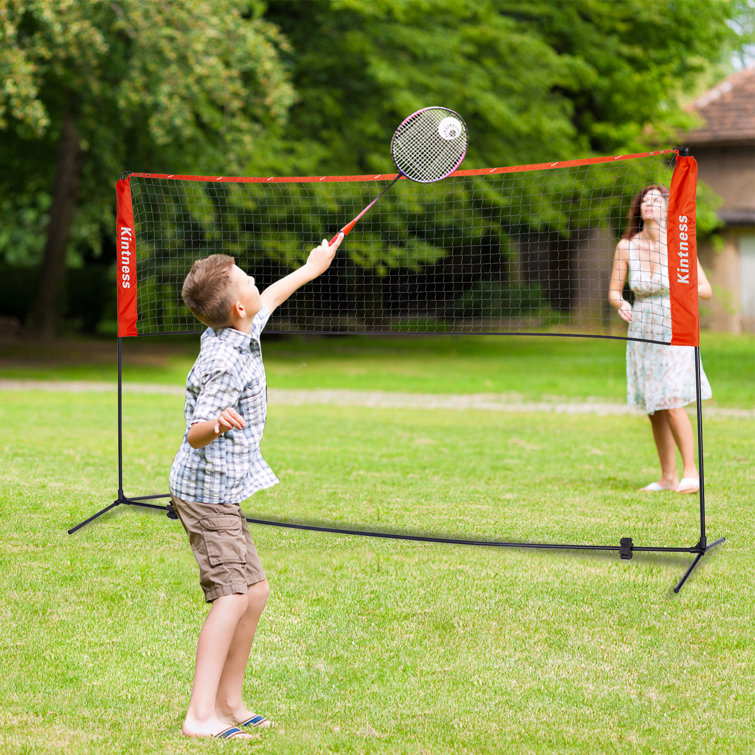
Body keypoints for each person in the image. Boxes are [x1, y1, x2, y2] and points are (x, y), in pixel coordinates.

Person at [169, 234, 343, 740]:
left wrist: (313, 268)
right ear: (238, 305)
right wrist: (218, 423)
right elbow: (195, 432)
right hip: (205, 495)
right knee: (231, 596)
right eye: (248, 278)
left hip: (223, 490)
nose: (255, 283)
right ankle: (200, 716)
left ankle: (230, 701)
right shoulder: (224, 359)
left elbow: (271, 296)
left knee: (256, 592)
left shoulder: (241, 327)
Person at [608, 184, 712, 494]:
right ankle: (668, 477)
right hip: (641, 330)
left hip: (674, 328)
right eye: (645, 201)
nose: (650, 205)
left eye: (657, 200)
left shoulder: (679, 245)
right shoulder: (625, 246)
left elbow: (705, 290)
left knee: (671, 400)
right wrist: (621, 303)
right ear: (639, 209)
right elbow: (614, 290)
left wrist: (681, 290)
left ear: (668, 209)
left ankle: (691, 472)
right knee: (654, 405)